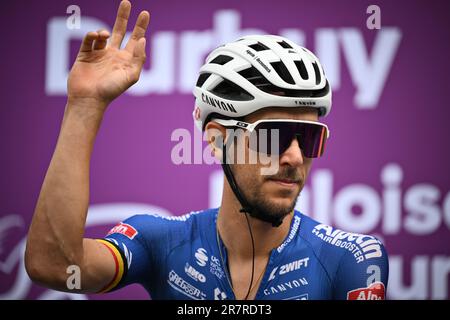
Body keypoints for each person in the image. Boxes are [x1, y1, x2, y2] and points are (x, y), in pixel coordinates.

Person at [25, 0, 388, 300]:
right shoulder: (160, 242)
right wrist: (84, 106)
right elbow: (54, 266)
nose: (294, 157)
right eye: (274, 136)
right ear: (217, 139)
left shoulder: (350, 258)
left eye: (309, 139)